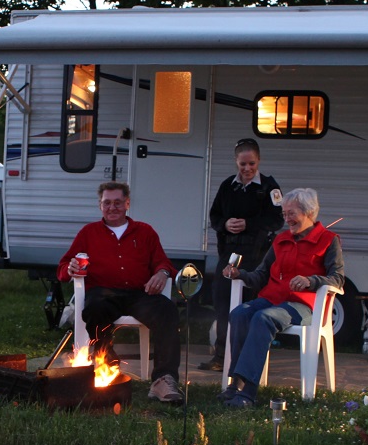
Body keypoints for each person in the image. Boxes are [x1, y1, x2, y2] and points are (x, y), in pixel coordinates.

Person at [57, 181, 184, 404]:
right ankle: (107, 361)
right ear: (100, 205)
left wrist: (162, 273)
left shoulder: (144, 231)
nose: (112, 207)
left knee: (167, 311)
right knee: (94, 307)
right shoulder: (89, 232)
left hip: (138, 293)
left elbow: (163, 262)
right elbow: (63, 267)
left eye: (117, 202)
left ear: (127, 204)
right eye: (107, 203)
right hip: (104, 294)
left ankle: (163, 379)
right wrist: (70, 268)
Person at [218, 188, 344, 408]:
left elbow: (338, 278)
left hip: (303, 305)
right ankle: (235, 384)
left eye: (291, 213)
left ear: (308, 213)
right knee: (239, 314)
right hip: (273, 299)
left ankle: (248, 392)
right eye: (284, 214)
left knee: (263, 318)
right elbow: (261, 275)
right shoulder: (281, 240)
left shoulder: (328, 240)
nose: (286, 219)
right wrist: (240, 274)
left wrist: (310, 281)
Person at [200, 138, 284, 371]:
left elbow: (277, 219)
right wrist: (226, 224)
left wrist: (248, 223)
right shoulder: (228, 186)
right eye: (242, 164)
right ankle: (221, 355)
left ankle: (246, 358)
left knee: (250, 304)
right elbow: (214, 216)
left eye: (252, 164)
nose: (247, 169)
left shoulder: (269, 187)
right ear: (236, 162)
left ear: (259, 161)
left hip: (257, 254)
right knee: (223, 302)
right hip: (230, 253)